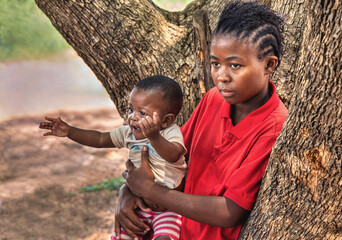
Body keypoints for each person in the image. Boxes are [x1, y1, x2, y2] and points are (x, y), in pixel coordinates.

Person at [115, 1, 288, 240]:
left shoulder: (273, 126)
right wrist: (128, 189)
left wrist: (149, 190)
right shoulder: (213, 100)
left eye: (235, 65)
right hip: (173, 228)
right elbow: (170, 159)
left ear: (269, 64)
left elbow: (229, 212)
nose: (221, 76)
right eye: (216, 63)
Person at [39, 75, 187, 240]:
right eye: (131, 110)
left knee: (165, 238)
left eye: (142, 113)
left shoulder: (170, 133)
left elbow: (175, 154)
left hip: (168, 210)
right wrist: (71, 132)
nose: (133, 117)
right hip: (139, 206)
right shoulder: (128, 133)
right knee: (122, 235)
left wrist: (154, 137)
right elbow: (100, 139)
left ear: (166, 121)